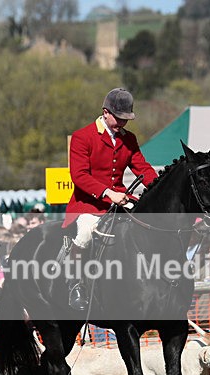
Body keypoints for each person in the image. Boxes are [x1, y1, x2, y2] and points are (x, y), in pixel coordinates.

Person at [62, 87, 158, 310]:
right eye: (119, 118)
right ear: (105, 112)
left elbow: (142, 168)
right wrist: (108, 193)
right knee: (85, 233)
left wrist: (159, 188)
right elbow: (79, 175)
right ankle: (76, 284)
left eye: (127, 119)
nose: (123, 123)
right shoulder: (82, 137)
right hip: (88, 203)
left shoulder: (129, 139)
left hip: (121, 199)